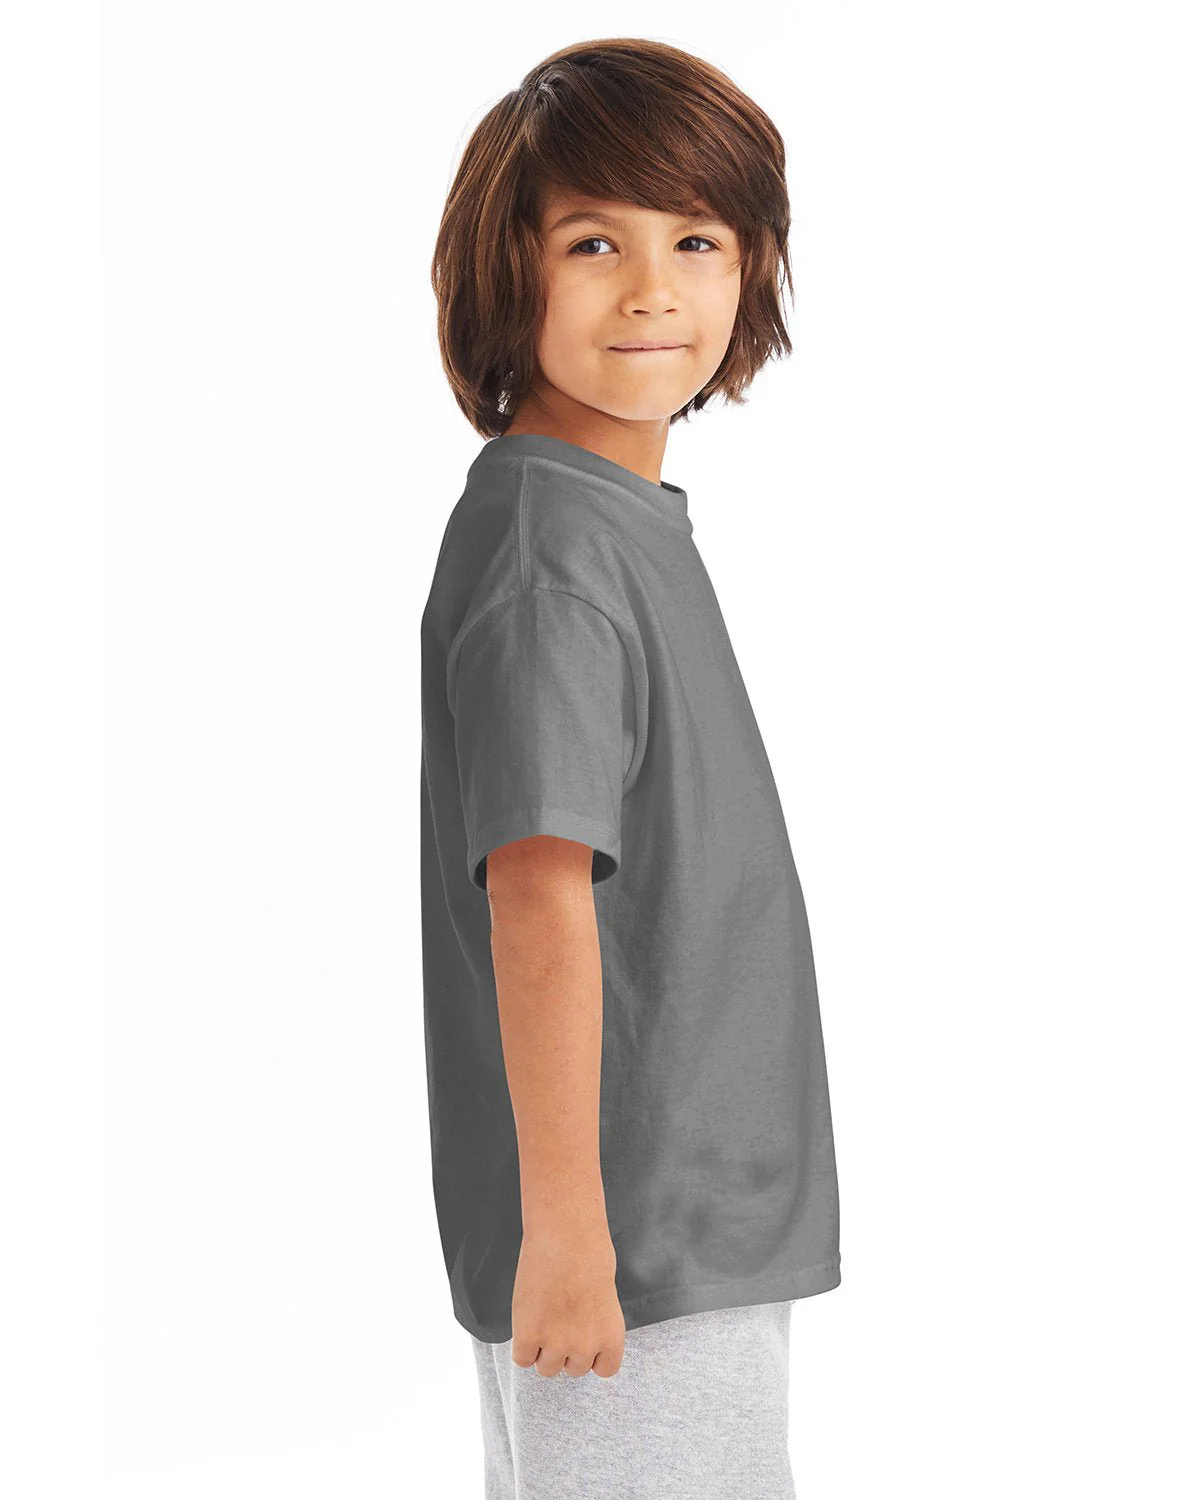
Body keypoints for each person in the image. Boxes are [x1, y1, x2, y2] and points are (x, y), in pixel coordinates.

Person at [420, 37, 841, 1499]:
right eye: (594, 242)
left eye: (696, 240)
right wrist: (569, 1231)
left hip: (670, 1223)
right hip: (638, 1239)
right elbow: (536, 890)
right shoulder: (556, 555)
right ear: (508, 272)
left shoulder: (602, 517)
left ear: (752, 266)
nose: (653, 288)